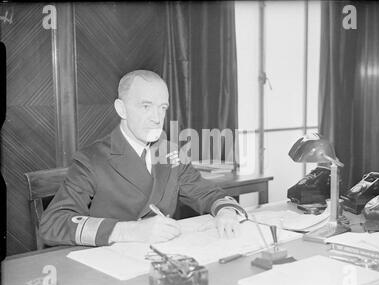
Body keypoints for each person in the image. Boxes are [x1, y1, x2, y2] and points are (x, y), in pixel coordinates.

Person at [39, 70, 242, 247]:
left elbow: (206, 193)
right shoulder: (91, 160)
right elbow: (53, 223)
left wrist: (226, 211)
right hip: (112, 263)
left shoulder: (170, 154)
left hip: (163, 258)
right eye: (146, 106)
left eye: (162, 107)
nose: (156, 117)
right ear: (121, 109)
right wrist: (129, 231)